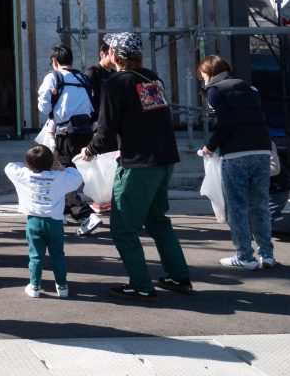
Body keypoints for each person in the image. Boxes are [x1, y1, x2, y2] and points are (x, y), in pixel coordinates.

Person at [78, 32, 191, 302]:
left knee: (123, 228)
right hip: (164, 159)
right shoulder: (151, 78)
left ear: (114, 56)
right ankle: (179, 276)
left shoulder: (116, 83)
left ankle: (141, 285)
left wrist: (89, 151)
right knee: (157, 220)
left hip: (138, 164)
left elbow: (105, 132)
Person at [196, 55, 275, 270]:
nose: (203, 80)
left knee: (237, 206)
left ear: (208, 72)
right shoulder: (250, 88)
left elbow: (226, 122)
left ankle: (244, 256)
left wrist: (210, 146)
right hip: (262, 150)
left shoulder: (215, 90)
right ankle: (266, 254)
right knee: (260, 204)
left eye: (202, 75)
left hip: (236, 153)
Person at [5, 144, 83, 299]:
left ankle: (34, 286)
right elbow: (77, 177)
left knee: (35, 256)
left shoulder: (24, 175)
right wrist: (62, 169)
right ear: (52, 162)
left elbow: (9, 167)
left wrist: (28, 166)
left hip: (34, 222)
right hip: (55, 222)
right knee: (58, 255)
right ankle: (62, 286)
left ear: (29, 164)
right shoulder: (60, 177)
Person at [36, 45, 100, 235]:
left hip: (65, 133)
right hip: (85, 131)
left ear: (54, 62)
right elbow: (92, 104)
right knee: (71, 172)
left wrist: (52, 105)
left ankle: (86, 215)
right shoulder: (82, 77)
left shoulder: (53, 77)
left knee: (61, 174)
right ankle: (63, 212)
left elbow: (43, 106)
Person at [83, 40, 116, 114]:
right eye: (111, 56)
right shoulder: (92, 72)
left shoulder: (115, 74)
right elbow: (86, 97)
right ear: (102, 54)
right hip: (97, 116)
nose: (114, 60)